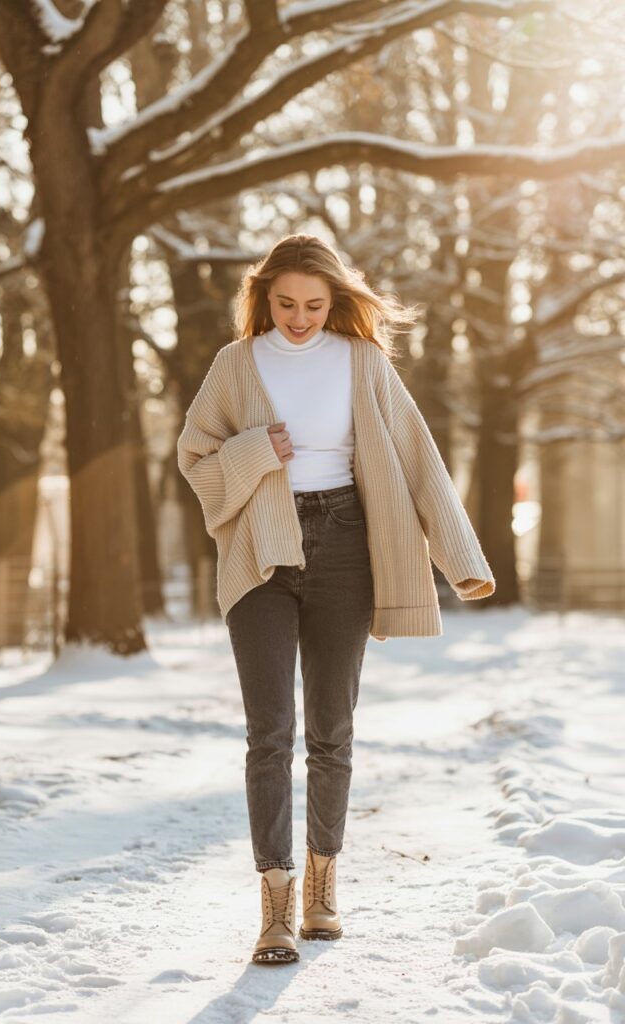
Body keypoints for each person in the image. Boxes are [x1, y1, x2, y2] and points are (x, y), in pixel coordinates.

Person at [177, 233, 495, 966]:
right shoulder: (235, 365)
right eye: (285, 303)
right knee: (270, 733)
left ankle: (323, 888)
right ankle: (276, 903)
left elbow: (417, 455)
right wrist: (256, 449)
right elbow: (194, 462)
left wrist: (461, 561)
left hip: (347, 543)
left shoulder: (362, 361)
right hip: (261, 551)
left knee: (331, 729)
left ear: (335, 301)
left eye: (314, 305)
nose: (299, 317)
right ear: (265, 299)